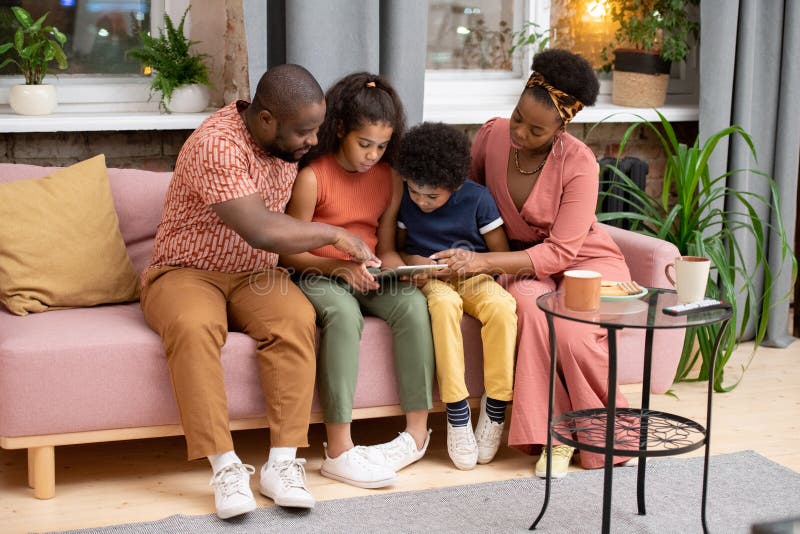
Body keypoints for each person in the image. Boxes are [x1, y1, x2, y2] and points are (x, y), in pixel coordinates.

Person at [140, 64, 379, 519]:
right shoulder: (218, 144)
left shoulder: (284, 142)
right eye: (305, 132)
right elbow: (261, 230)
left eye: (318, 129)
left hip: (254, 275)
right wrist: (335, 235)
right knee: (194, 326)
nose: (313, 141)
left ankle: (283, 464)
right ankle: (225, 467)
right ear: (266, 119)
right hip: (186, 270)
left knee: (295, 319)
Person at [431, 49, 633, 478]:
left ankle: (591, 434)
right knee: (529, 306)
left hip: (584, 261)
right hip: (522, 263)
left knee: (576, 337)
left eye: (536, 129)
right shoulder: (493, 135)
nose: (520, 131)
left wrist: (481, 263)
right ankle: (554, 436)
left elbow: (560, 252)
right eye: (518, 115)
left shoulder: (580, 163)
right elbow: (469, 200)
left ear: (563, 127)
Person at [280, 72, 434, 489]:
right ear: (342, 129)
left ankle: (416, 435)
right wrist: (340, 268)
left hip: (365, 273)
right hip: (317, 271)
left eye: (382, 146)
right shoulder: (313, 176)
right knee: (344, 315)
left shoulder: (389, 178)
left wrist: (395, 268)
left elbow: (383, 244)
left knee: (414, 307)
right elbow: (289, 250)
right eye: (365, 144)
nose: (372, 155)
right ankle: (339, 449)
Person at [394, 122, 517, 471]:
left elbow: (499, 255)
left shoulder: (478, 199)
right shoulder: (405, 199)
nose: (421, 201)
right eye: (415, 191)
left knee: (503, 307)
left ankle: (494, 410)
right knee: (444, 305)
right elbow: (401, 251)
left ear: (456, 184)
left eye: (432, 196)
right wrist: (415, 263)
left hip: (474, 275)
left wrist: (469, 264)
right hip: (431, 280)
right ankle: (457, 411)